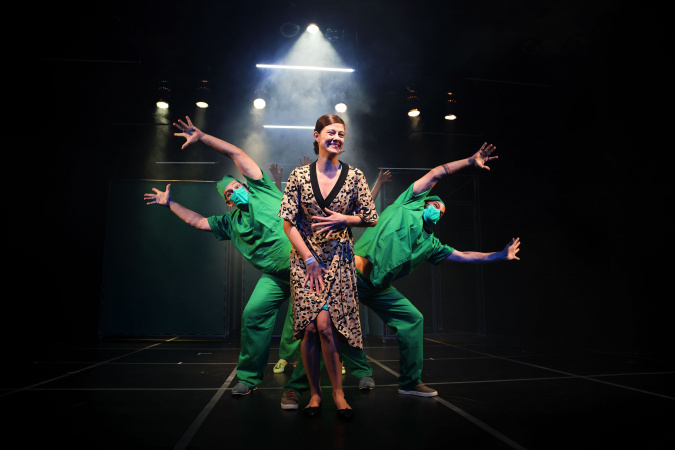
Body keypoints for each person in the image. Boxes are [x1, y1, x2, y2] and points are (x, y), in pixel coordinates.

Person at [280, 142, 521, 408]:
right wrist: (469, 161)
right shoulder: (408, 204)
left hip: (377, 287)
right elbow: (435, 174)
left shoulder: (431, 244)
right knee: (321, 327)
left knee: (412, 319)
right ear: (426, 202)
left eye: (441, 213)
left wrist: (499, 255)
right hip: (350, 275)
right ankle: (296, 388)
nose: (437, 212)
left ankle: (409, 382)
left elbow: (464, 255)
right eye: (435, 206)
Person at [144, 116, 300, 395]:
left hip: (307, 267)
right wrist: (171, 204)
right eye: (231, 192)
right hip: (276, 276)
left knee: (315, 321)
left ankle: (313, 381)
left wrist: (203, 137)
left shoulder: (262, 189)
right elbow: (197, 221)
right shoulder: (230, 223)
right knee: (253, 314)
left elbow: (236, 153)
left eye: (238, 186)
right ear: (228, 201)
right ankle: (248, 378)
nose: (236, 191)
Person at [278, 114, 378, 419]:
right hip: (305, 261)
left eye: (341, 134)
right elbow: (288, 222)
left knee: (326, 325)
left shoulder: (355, 176)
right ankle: (315, 394)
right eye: (331, 132)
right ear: (317, 136)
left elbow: (370, 217)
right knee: (309, 328)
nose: (336, 138)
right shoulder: (298, 175)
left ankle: (337, 393)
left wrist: (345, 219)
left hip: (339, 260)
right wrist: (309, 259)